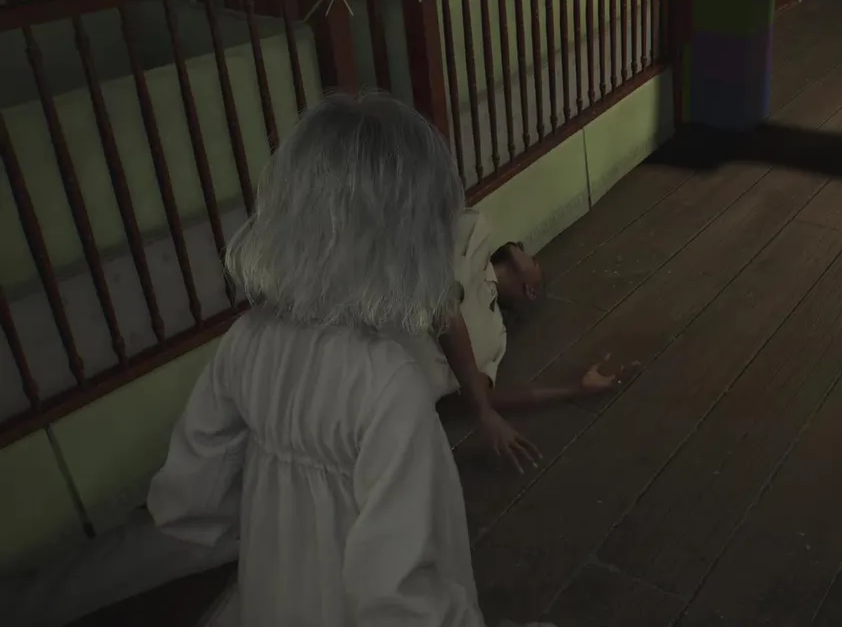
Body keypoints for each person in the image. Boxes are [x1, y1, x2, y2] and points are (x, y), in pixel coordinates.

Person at [0, 93, 554, 627]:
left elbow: (191, 499)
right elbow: (400, 596)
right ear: (416, 232)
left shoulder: (248, 337)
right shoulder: (389, 384)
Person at [431, 211, 632, 473]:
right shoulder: (476, 229)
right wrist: (483, 411)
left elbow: (479, 395)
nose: (522, 246)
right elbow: (437, 291)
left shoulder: (495, 337)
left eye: (534, 260)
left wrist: (574, 390)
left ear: (531, 291)